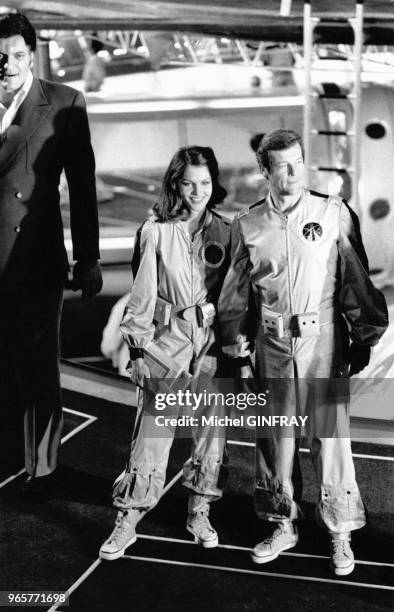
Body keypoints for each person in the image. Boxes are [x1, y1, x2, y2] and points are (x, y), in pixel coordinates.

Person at [218, 129, 388, 576]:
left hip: (323, 343)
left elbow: (355, 279)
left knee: (330, 440)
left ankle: (339, 531)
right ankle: (282, 523)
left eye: (297, 162)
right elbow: (236, 296)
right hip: (271, 347)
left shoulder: (332, 214)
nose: (292, 172)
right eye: (281, 165)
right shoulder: (247, 225)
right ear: (264, 170)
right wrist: (237, 349)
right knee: (276, 441)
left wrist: (362, 336)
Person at [99, 145, 232, 561]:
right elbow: (142, 295)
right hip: (166, 345)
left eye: (206, 183)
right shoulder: (155, 230)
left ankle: (199, 510)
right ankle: (128, 519)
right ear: (176, 182)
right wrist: (138, 351)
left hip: (210, 347)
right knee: (152, 437)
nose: (198, 192)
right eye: (189, 183)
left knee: (211, 436)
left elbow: (235, 295)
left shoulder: (228, 231)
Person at [0, 13, 102, 493]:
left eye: (19, 55)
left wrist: (89, 259)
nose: (8, 65)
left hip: (36, 258)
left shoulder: (63, 103)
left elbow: (81, 188)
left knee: (40, 364)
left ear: (32, 55)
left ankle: (41, 468)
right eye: (1, 56)